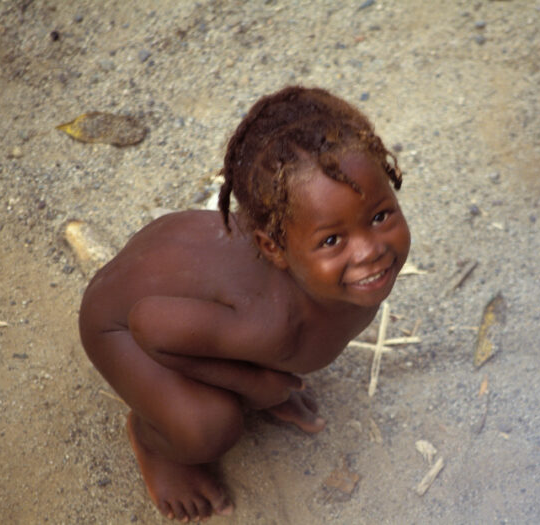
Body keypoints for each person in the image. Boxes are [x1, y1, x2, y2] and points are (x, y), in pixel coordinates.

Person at [78, 86, 411, 522]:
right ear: (273, 248)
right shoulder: (269, 321)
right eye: (332, 240)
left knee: (242, 359)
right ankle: (154, 440)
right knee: (209, 427)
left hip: (195, 307)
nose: (370, 251)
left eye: (380, 216)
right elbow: (148, 324)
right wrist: (256, 388)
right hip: (119, 329)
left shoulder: (332, 278)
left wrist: (262, 384)